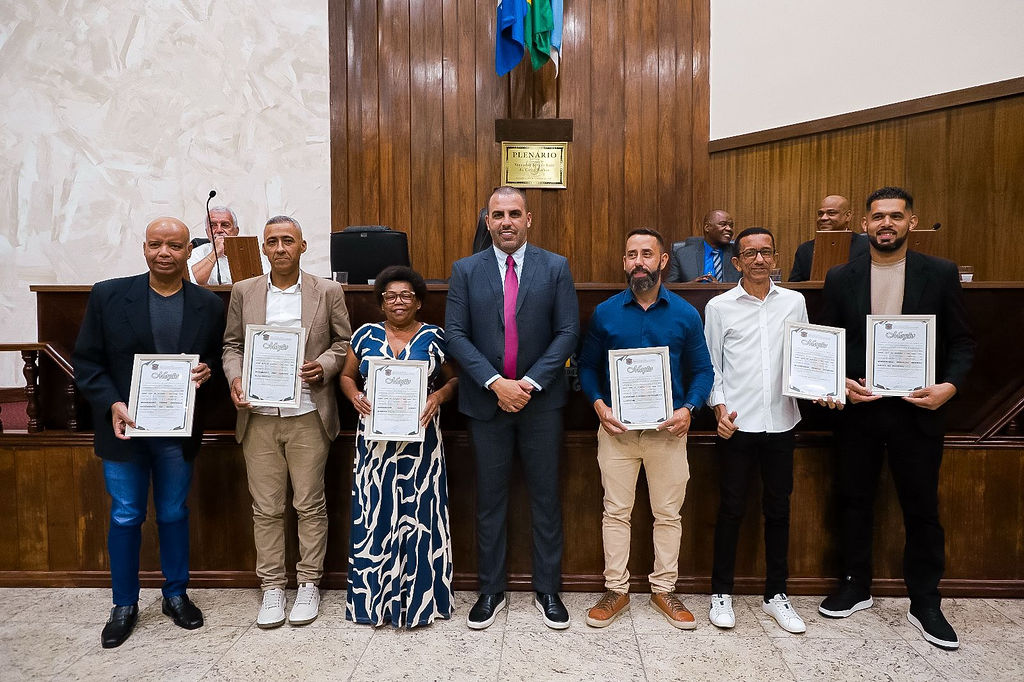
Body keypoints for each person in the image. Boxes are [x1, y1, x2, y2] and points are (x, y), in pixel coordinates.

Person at [816, 187, 974, 651]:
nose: (886, 224)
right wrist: (841, 381)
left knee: (921, 506)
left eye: (896, 216)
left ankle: (925, 600)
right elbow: (827, 340)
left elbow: (963, 342)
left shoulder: (940, 273)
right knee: (853, 500)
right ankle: (855, 585)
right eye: (878, 217)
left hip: (918, 410)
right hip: (860, 411)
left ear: (912, 222)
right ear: (864, 224)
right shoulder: (840, 276)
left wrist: (949, 387)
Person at [72, 217, 225, 648]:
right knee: (126, 514)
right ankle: (124, 604)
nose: (164, 253)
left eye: (174, 246)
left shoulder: (209, 305)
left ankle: (175, 594)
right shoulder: (108, 295)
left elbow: (215, 359)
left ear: (188, 251)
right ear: (144, 248)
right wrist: (112, 403)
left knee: (173, 512)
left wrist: (208, 371)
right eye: (156, 244)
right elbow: (87, 362)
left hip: (176, 433)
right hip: (124, 429)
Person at [445, 186, 580, 630]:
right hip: (486, 404)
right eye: (498, 214)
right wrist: (495, 383)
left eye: (514, 214)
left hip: (542, 405)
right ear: (488, 221)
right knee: (490, 499)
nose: (506, 222)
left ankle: (548, 589)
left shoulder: (555, 266)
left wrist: (528, 383)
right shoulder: (465, 270)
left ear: (528, 219)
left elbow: (567, 332)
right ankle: (490, 590)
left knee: (545, 498)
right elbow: (456, 334)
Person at [578, 228, 714, 630]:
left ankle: (664, 589)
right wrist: (598, 404)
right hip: (616, 432)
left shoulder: (685, 314)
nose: (639, 262)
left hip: (668, 433)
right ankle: (616, 590)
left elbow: (703, 371)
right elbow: (587, 367)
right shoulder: (605, 313)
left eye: (647, 254)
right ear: (624, 262)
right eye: (632, 254)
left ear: (662, 261)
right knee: (615, 512)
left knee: (668, 514)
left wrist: (689, 408)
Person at [222, 215, 352, 629]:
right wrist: (236, 378)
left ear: (302, 246)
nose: (280, 248)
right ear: (263, 247)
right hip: (258, 416)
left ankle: (309, 582)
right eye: (272, 241)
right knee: (266, 507)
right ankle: (273, 586)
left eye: (288, 241)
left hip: (308, 413)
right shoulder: (244, 290)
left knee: (309, 503)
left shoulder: (327, 290)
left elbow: (343, 342)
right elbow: (231, 345)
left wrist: (324, 366)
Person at [339, 266, 458, 627]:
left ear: (419, 301)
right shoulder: (364, 335)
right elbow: (346, 376)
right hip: (374, 448)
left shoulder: (435, 337)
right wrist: (354, 395)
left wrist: (438, 396)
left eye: (406, 295)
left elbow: (454, 380)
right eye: (390, 296)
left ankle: (422, 602)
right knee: (374, 517)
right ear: (381, 303)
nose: (398, 301)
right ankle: (372, 603)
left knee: (421, 520)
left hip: (422, 446)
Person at [703, 227, 808, 634]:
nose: (759, 259)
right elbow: (712, 366)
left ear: (776, 257)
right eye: (750, 253)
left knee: (778, 509)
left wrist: (823, 386)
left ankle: (776, 594)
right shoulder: (719, 307)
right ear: (736, 262)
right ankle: (721, 592)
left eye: (766, 252)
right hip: (737, 425)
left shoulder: (794, 302)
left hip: (782, 421)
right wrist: (719, 409)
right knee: (731, 509)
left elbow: (806, 356)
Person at [788, 195, 868, 282]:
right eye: (820, 214)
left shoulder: (866, 246)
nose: (823, 218)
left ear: (847, 216)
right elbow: (794, 286)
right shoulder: (805, 249)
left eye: (831, 213)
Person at [187, 206, 270, 285]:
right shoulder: (197, 253)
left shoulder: (250, 254)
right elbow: (192, 282)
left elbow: (265, 283)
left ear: (236, 231)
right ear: (207, 231)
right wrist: (215, 253)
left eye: (225, 225)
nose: (219, 230)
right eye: (213, 226)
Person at [666, 210, 741, 283]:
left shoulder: (738, 254)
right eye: (723, 224)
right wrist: (690, 287)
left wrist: (720, 288)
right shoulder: (682, 254)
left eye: (731, 226)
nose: (729, 229)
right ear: (707, 227)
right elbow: (671, 286)